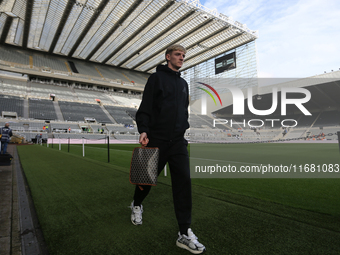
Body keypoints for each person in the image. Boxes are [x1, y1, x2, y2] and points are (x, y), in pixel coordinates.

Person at [130, 45, 205, 254]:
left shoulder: (183, 84)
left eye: (183, 55)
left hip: (178, 141)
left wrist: (184, 129)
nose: (181, 58)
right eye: (178, 55)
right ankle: (136, 204)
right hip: (157, 139)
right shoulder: (156, 79)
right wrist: (144, 130)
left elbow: (183, 111)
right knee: (146, 178)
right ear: (168, 57)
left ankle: (184, 232)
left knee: (183, 183)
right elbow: (146, 106)